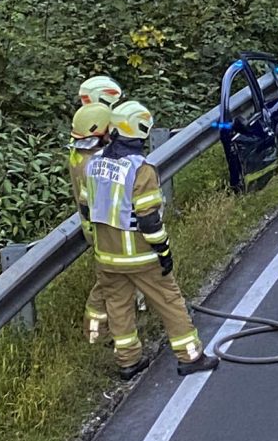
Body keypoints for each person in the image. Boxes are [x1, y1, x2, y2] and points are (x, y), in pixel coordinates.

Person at [86, 103, 217, 373]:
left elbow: (87, 209)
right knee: (170, 302)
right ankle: (190, 357)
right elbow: (148, 220)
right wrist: (164, 251)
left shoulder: (95, 163)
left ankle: (128, 363)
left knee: (119, 309)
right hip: (141, 257)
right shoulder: (140, 169)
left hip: (107, 258)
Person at [68, 102, 118, 346]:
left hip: (93, 229)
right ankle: (96, 336)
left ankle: (109, 331)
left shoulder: (79, 156)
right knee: (106, 284)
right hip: (103, 231)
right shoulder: (95, 165)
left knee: (113, 281)